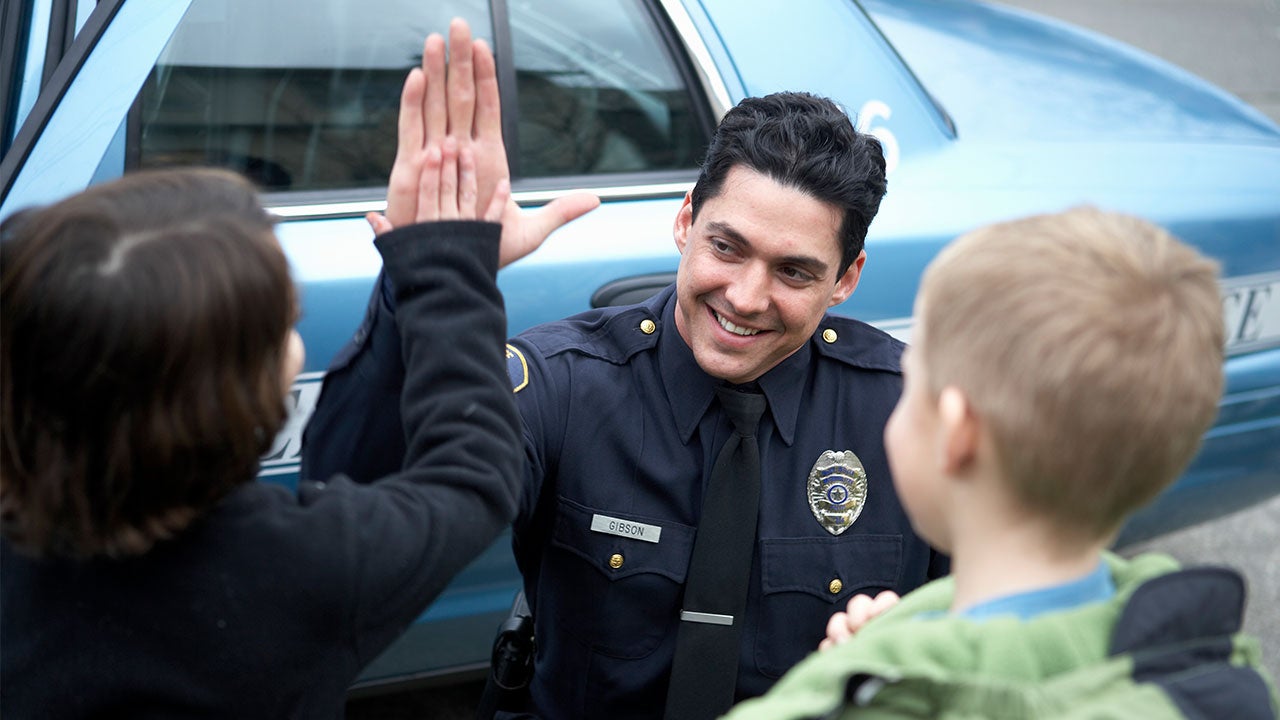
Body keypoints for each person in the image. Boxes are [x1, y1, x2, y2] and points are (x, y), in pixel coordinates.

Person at [302, 21, 946, 719]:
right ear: (684, 223)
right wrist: (422, 285)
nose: (746, 297)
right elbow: (350, 512)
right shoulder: (565, 385)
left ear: (846, 280)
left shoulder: (905, 414)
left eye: (793, 271)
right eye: (727, 248)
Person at [0, 31, 542, 717]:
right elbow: (472, 477)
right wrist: (448, 262)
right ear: (232, 401)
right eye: (287, 323)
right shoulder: (295, 571)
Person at [720, 207, 1280, 720]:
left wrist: (861, 674)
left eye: (912, 388)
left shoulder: (842, 703)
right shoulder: (1213, 671)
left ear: (958, 433)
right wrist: (908, 639)